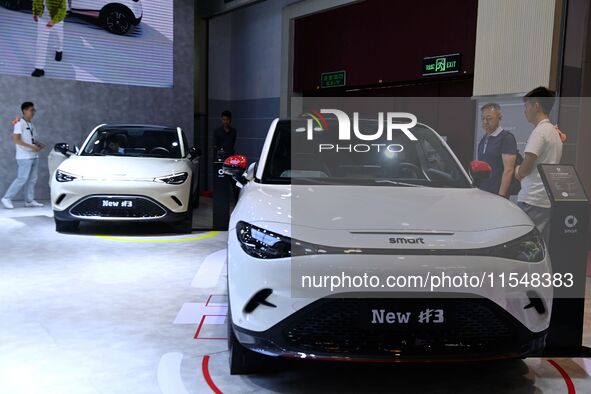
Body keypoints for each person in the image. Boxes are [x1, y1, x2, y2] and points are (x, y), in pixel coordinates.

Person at [515, 87, 563, 243]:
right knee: (539, 245)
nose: (525, 111)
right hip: (544, 198)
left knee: (525, 245)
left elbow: (526, 168)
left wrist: (518, 171)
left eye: (526, 106)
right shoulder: (554, 132)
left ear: (536, 106)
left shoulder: (539, 132)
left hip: (532, 199)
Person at [1, 102, 46, 209]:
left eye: (34, 110)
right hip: (24, 157)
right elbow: (16, 140)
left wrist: (38, 144)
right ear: (24, 110)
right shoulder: (19, 123)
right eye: (31, 110)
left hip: (34, 156)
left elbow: (31, 140)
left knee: (32, 179)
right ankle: (6, 198)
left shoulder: (31, 125)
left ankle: (29, 201)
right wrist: (31, 147)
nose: (33, 112)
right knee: (22, 178)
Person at [477, 103, 517, 198]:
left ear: (499, 118)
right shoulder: (484, 139)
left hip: (497, 194)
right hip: (482, 192)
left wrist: (501, 196)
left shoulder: (506, 138)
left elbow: (509, 169)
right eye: (483, 118)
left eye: (489, 118)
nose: (485, 122)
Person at [31, 0, 66, 77]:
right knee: (41, 42)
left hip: (56, 18)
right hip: (42, 18)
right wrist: (35, 12)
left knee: (58, 36)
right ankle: (39, 69)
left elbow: (63, 9)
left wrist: (54, 21)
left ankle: (59, 50)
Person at [213, 111, 239, 202]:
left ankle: (237, 201)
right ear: (221, 120)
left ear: (230, 120)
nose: (225, 122)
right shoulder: (217, 131)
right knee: (221, 181)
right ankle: (221, 201)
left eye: (227, 120)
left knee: (234, 182)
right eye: (223, 120)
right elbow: (215, 145)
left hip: (231, 159)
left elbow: (232, 144)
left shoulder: (233, 131)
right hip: (220, 160)